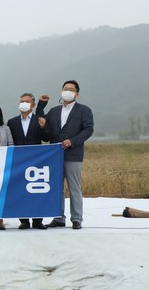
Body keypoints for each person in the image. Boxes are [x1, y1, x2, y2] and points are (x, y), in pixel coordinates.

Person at [42, 80, 94, 230]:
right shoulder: (53, 111)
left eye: (71, 89)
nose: (68, 91)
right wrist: (43, 126)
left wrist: (72, 141)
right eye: (65, 88)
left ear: (77, 94)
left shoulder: (84, 110)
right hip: (55, 155)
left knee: (74, 187)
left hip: (73, 154)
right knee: (57, 187)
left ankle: (77, 218)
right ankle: (58, 217)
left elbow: (88, 130)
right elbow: (47, 134)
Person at [6, 93, 49, 230]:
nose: (23, 104)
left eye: (27, 101)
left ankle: (37, 220)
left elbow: (47, 138)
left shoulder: (39, 120)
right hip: (19, 161)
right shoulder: (12, 122)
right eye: (21, 101)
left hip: (36, 160)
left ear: (33, 105)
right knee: (21, 190)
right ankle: (24, 220)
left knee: (36, 190)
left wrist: (43, 127)